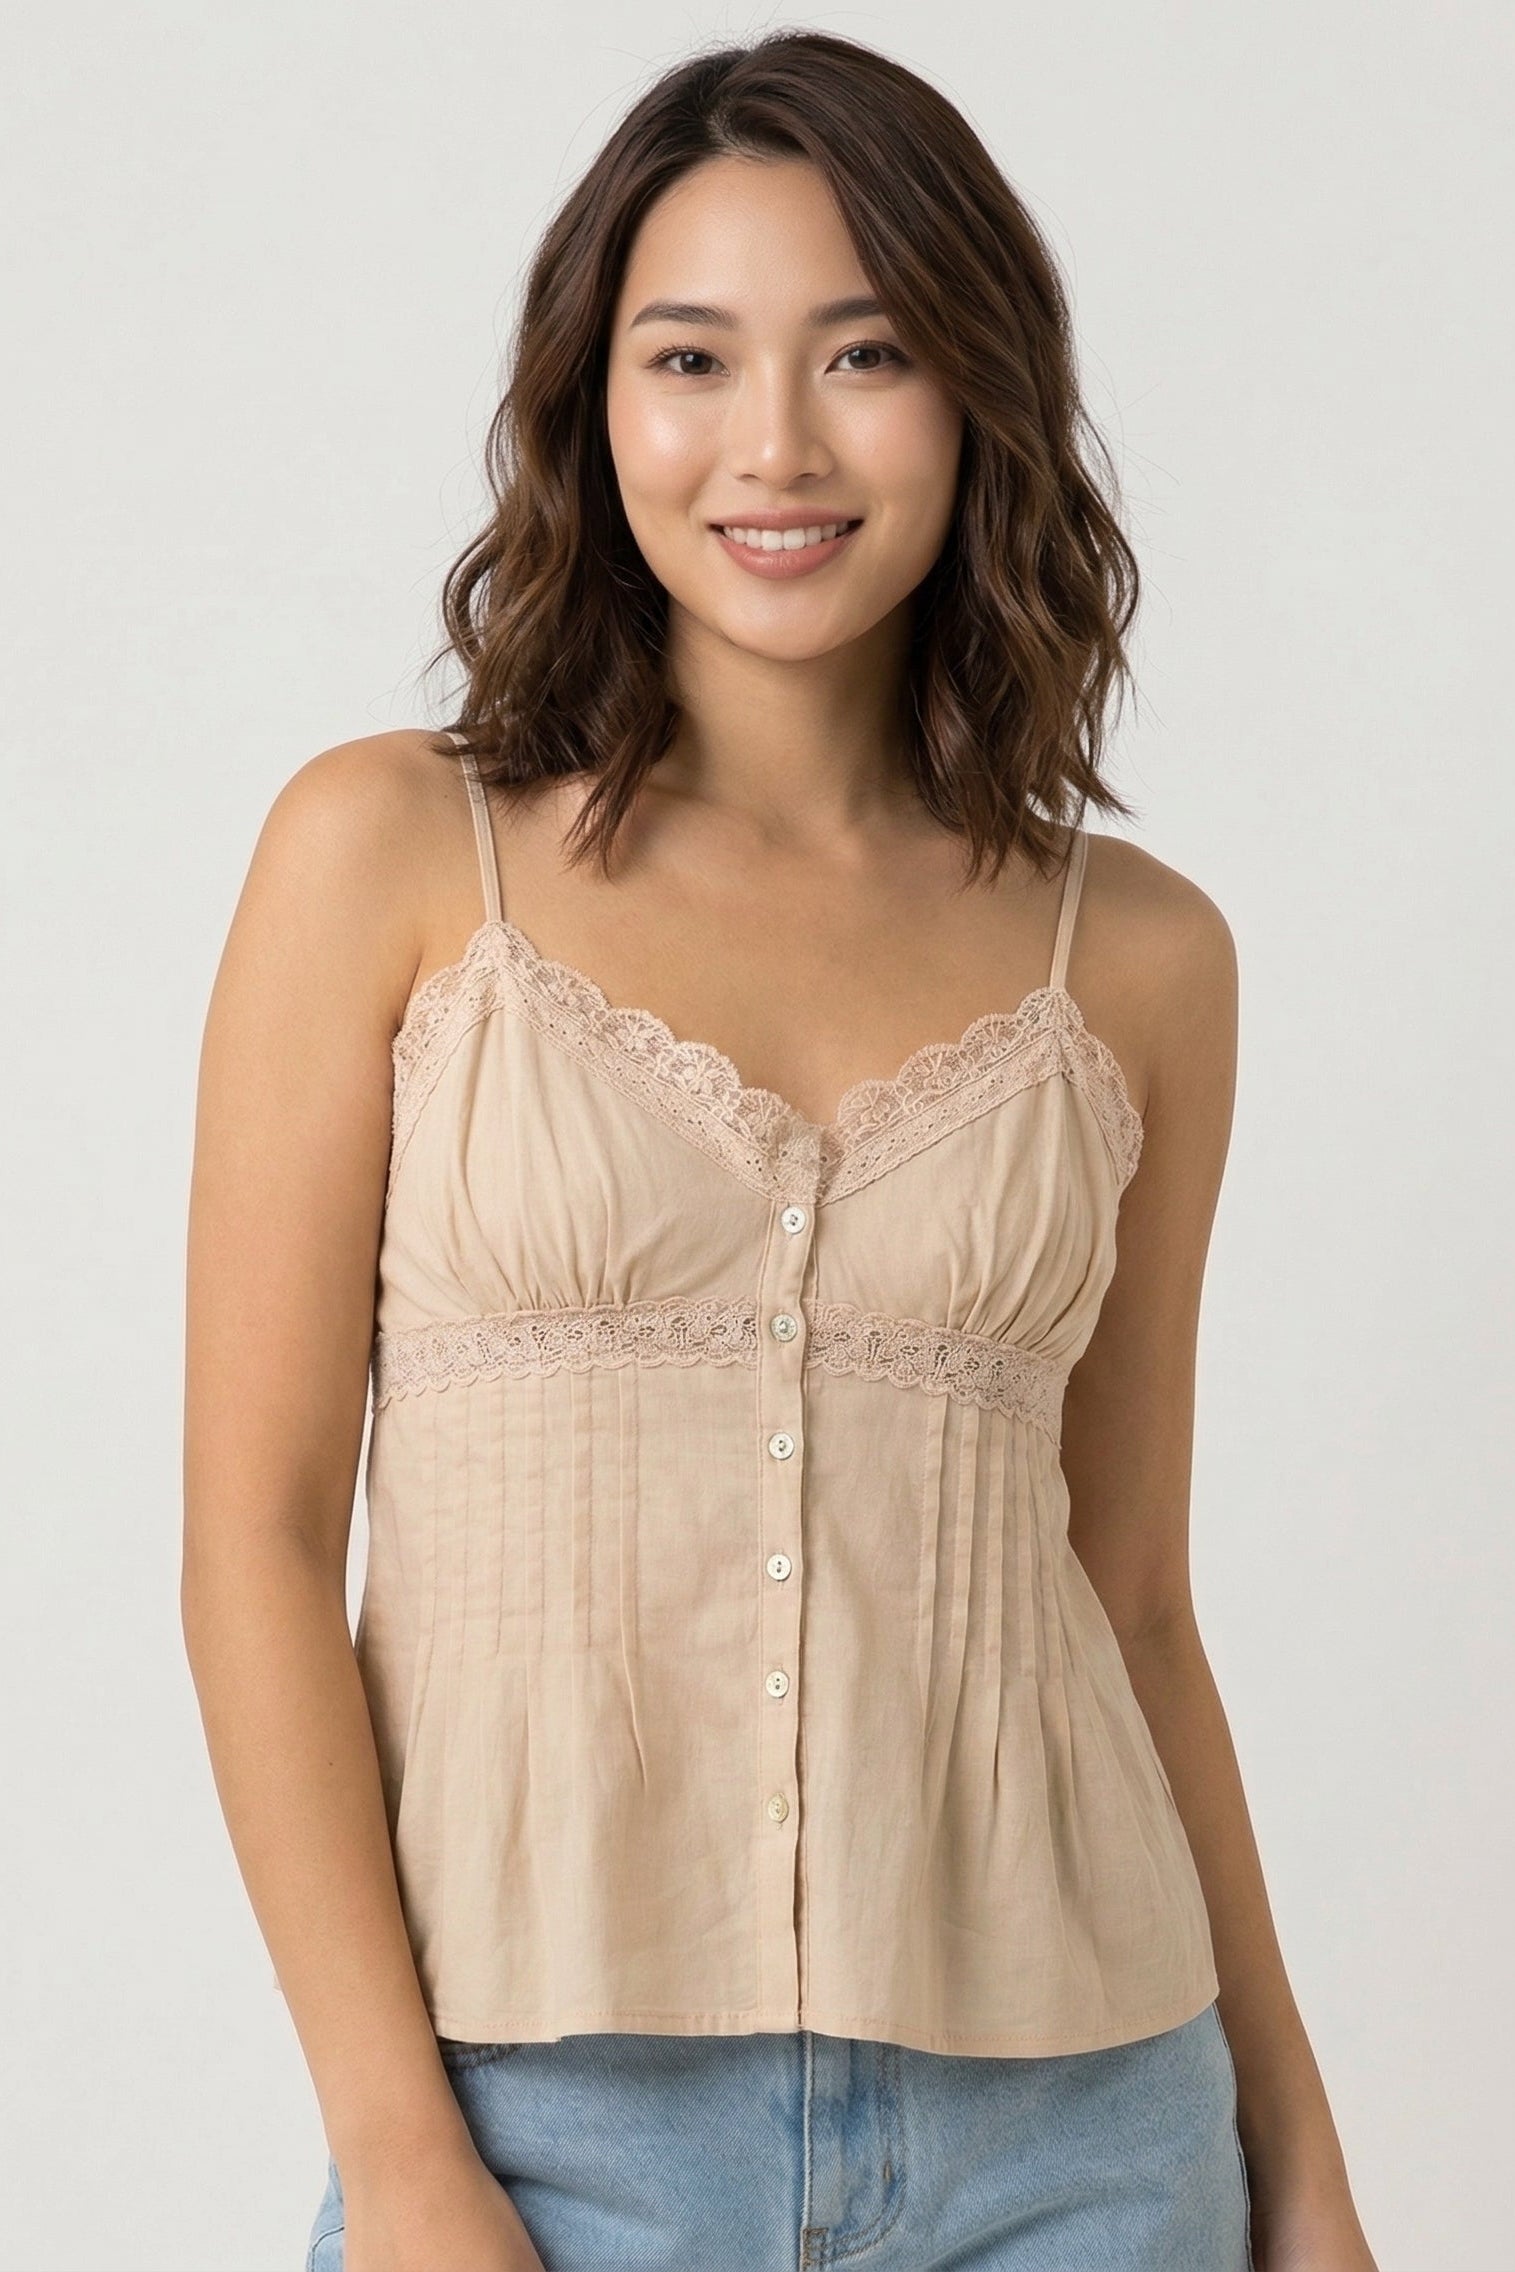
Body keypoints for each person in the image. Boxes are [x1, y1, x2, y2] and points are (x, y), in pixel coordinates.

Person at [182, 29, 1378, 2272]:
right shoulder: (388, 858)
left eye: (864, 354)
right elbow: (252, 1537)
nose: (775, 444)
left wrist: (1296, 2163)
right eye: (689, 356)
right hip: (543, 2137)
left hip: (1086, 2136)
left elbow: (1126, 1603)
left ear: (976, 401)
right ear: (588, 401)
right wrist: (405, 2151)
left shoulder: (1131, 958)